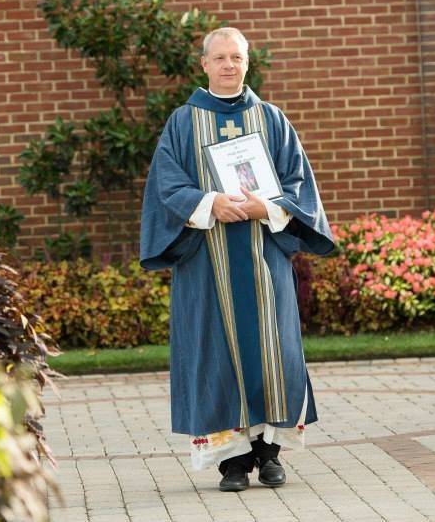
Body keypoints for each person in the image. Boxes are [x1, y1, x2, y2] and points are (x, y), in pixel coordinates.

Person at [139, 27, 334, 492]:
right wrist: (210, 204)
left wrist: (266, 207)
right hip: (208, 264)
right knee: (217, 354)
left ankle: (269, 455)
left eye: (237, 57)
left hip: (263, 257)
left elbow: (298, 184)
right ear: (204, 64)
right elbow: (167, 186)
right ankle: (232, 463)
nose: (229, 65)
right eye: (220, 57)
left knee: (274, 351)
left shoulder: (272, 119)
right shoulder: (183, 123)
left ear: (248, 62)